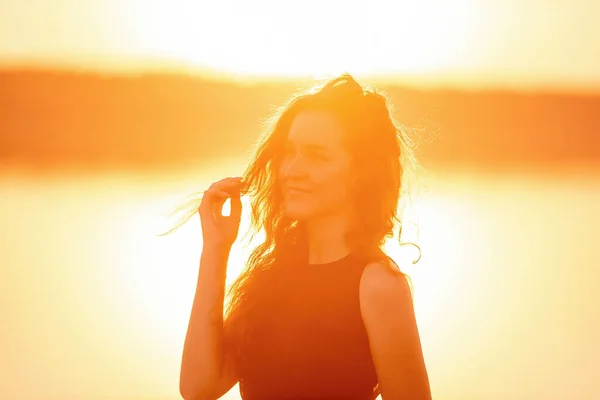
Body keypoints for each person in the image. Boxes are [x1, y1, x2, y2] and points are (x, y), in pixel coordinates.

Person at [176, 74, 431, 400]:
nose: (291, 170)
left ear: (362, 172)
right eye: (289, 152)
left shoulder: (378, 285)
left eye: (317, 156)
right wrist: (215, 248)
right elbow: (199, 387)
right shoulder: (268, 277)